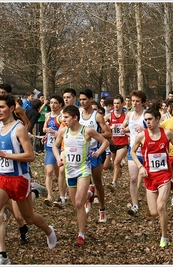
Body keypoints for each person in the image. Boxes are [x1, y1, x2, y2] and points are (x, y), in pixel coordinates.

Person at [0, 93, 57, 264]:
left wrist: (6, 155)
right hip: (2, 178)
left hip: (19, 179)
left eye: (1, 107)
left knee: (28, 218)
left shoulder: (19, 128)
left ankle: (49, 230)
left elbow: (30, 156)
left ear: (11, 108)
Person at [52, 105, 108, 246]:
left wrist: (98, 152)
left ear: (75, 117)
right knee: (77, 206)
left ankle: (81, 235)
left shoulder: (86, 131)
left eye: (66, 117)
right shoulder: (63, 131)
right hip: (69, 171)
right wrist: (58, 158)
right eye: (63, 117)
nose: (63, 120)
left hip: (83, 170)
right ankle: (89, 195)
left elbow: (105, 141)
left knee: (78, 202)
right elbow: (54, 146)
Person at [130, 101, 173, 248]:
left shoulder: (167, 133)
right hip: (149, 176)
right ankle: (162, 220)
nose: (148, 122)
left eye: (150, 119)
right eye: (145, 120)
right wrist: (140, 166)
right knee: (154, 212)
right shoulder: (142, 136)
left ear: (158, 119)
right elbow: (132, 152)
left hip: (164, 175)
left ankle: (164, 236)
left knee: (161, 207)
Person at [78, 88, 111, 222]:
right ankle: (88, 196)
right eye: (80, 100)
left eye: (85, 99)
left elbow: (108, 134)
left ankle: (102, 209)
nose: (82, 102)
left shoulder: (96, 116)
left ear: (91, 100)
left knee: (98, 183)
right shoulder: (78, 115)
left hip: (95, 153)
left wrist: (94, 136)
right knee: (83, 181)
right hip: (82, 153)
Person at [120, 90, 147, 216]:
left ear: (143, 103)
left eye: (137, 101)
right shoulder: (129, 115)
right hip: (133, 151)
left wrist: (144, 129)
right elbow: (129, 129)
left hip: (147, 151)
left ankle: (155, 201)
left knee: (150, 179)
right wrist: (124, 130)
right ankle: (135, 206)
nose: (134, 103)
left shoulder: (146, 115)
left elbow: (156, 130)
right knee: (133, 179)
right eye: (133, 101)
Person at [42, 94, 64, 207]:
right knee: (49, 171)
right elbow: (44, 129)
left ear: (60, 105)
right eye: (51, 103)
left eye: (55, 103)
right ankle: (49, 196)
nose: (52, 105)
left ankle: (62, 194)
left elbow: (62, 132)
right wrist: (47, 133)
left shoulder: (62, 117)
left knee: (59, 172)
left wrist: (54, 133)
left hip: (61, 147)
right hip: (50, 147)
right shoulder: (47, 115)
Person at [104, 94, 128, 189]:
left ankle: (113, 183)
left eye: (118, 103)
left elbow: (132, 127)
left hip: (123, 143)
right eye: (115, 103)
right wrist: (110, 127)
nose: (116, 105)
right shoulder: (109, 116)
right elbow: (103, 128)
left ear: (122, 104)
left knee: (116, 162)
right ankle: (118, 173)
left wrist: (125, 130)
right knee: (115, 163)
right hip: (113, 143)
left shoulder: (126, 116)